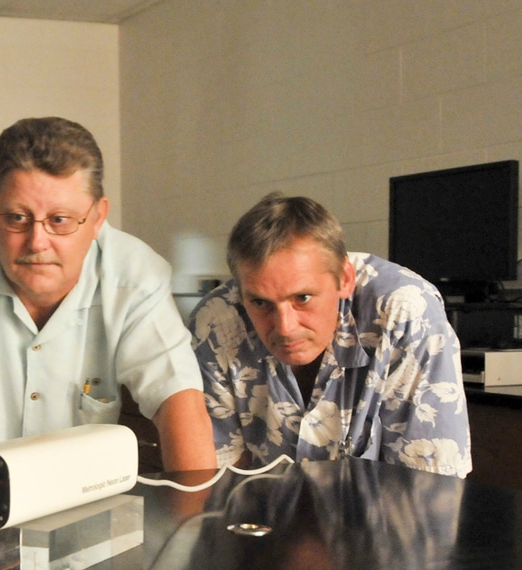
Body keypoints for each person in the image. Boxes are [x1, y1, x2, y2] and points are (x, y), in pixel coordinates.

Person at [0, 117, 217, 496]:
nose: (37, 242)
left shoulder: (135, 277)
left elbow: (178, 399)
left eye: (60, 220)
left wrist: (194, 521)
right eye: (17, 218)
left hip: (84, 508)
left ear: (97, 217)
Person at [188, 193, 471, 477]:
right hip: (262, 504)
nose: (285, 328)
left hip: (385, 505)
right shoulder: (216, 323)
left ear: (344, 279)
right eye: (260, 303)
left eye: (303, 298)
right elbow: (217, 479)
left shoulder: (406, 312)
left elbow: (430, 485)